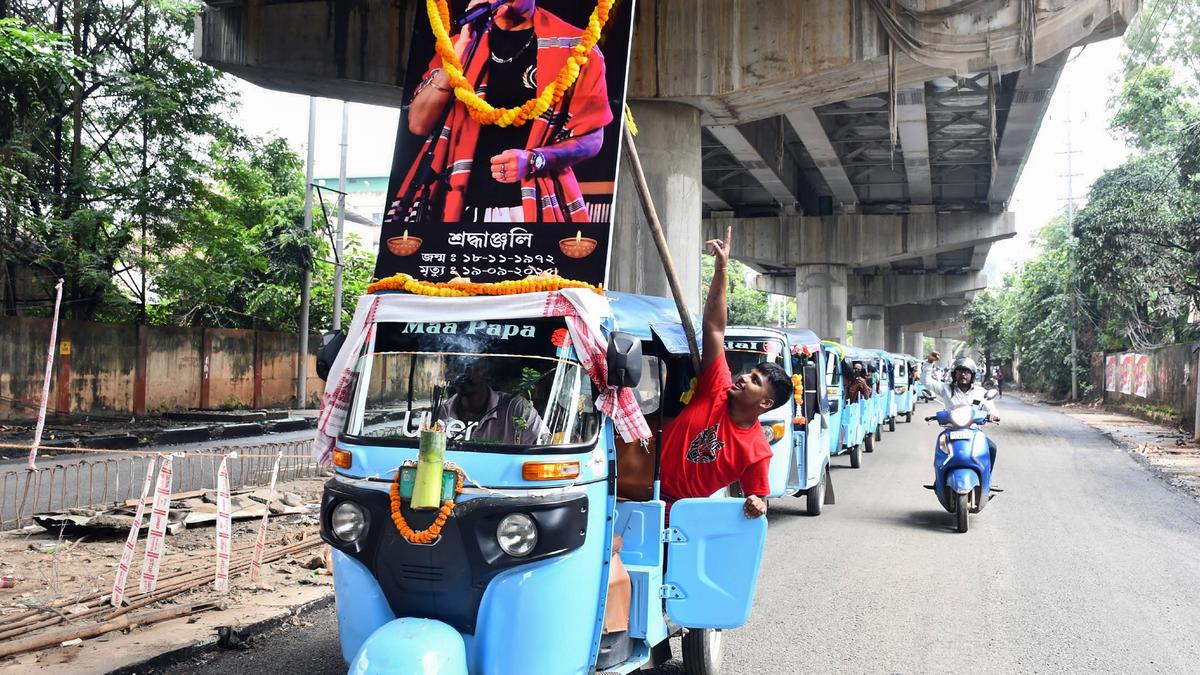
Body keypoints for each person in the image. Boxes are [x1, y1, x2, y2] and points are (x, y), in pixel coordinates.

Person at [391, 0, 611, 223]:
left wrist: (535, 159)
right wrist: (460, 49)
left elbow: (592, 138)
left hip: (531, 208)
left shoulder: (576, 48)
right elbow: (418, 123)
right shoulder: (459, 44)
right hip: (453, 207)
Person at [659, 227, 795, 519]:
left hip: (680, 517)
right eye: (751, 373)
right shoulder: (716, 387)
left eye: (755, 381)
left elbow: (758, 499)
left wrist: (758, 504)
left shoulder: (758, 450)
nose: (744, 377)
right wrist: (722, 268)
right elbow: (715, 328)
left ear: (765, 403)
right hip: (639, 487)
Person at [436, 358, 545, 444]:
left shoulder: (518, 409)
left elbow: (544, 447)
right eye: (455, 367)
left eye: (467, 366)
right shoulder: (443, 412)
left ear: (483, 368)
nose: (460, 375)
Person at [923, 352, 1000, 468]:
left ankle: (986, 480)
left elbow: (991, 408)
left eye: (967, 372)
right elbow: (926, 382)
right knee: (941, 447)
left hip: (974, 432)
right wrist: (929, 362)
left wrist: (993, 415)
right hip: (951, 431)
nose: (963, 374)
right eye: (960, 371)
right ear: (954, 374)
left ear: (972, 375)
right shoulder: (946, 389)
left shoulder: (980, 392)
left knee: (991, 448)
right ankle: (940, 479)